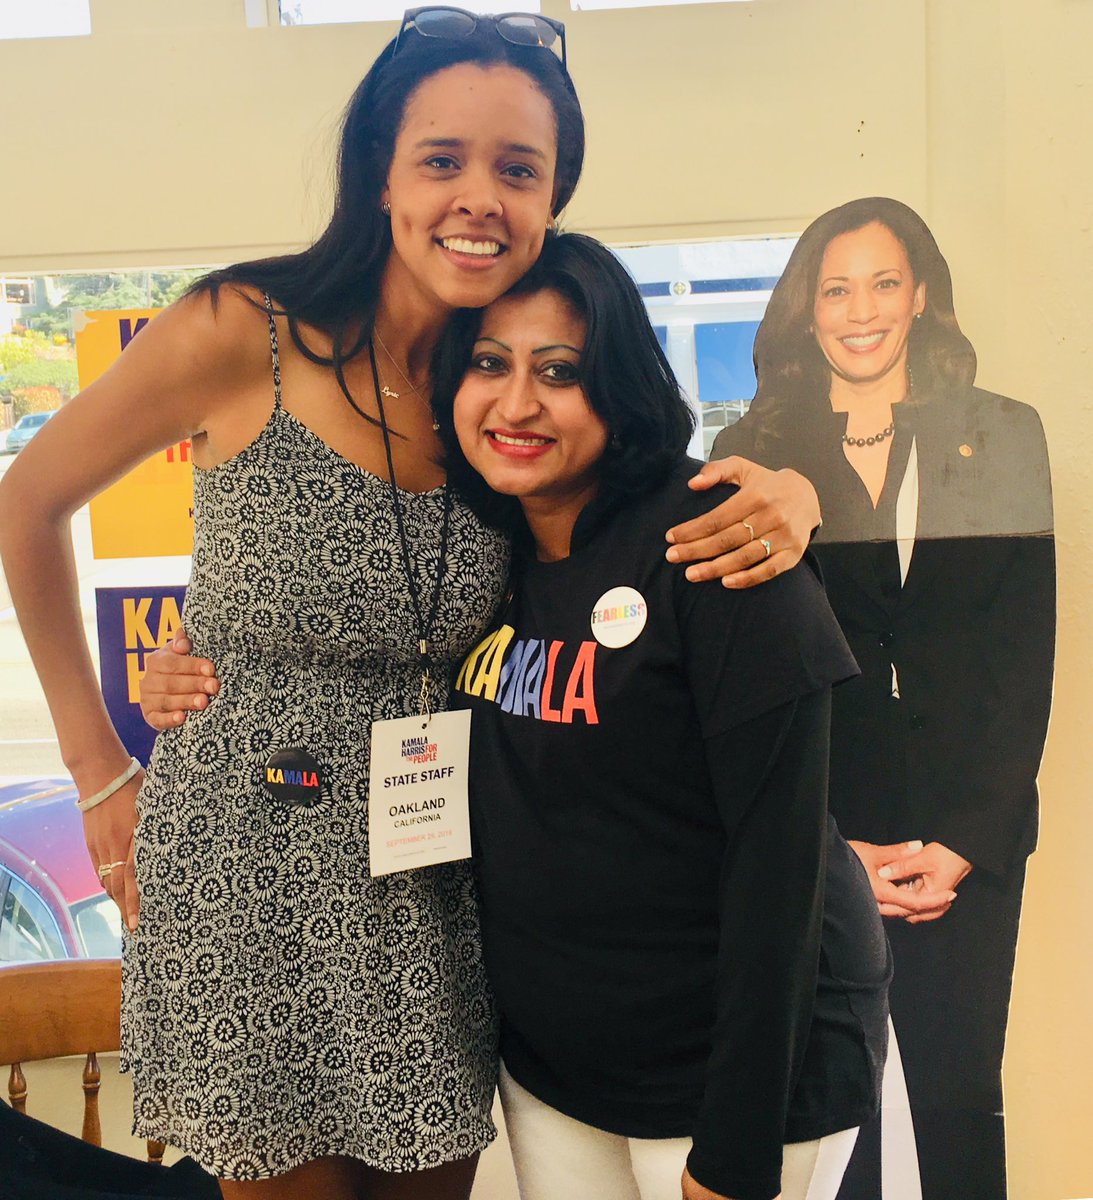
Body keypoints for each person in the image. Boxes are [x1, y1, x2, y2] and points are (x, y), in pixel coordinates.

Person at [0, 10, 821, 1198]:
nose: (477, 196)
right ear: (380, 172)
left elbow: (635, 514)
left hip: (435, 875)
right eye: (441, 159)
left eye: (517, 169)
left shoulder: (500, 387)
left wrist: (794, 495)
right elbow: (24, 504)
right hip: (248, 863)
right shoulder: (245, 329)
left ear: (553, 199)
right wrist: (99, 770)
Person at [437, 231, 890, 1200]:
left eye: (559, 371)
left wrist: (733, 1152)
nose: (516, 403)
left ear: (620, 384)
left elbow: (782, 870)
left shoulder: (715, 543)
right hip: (560, 1078)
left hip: (741, 1084)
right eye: (488, 363)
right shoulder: (476, 551)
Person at [710, 197, 1055, 1200]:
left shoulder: (1001, 435)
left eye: (884, 282)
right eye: (836, 287)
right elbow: (751, 676)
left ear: (920, 299)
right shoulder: (755, 450)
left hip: (965, 837)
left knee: (953, 1095)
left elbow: (1020, 652)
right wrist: (826, 846)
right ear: (804, 310)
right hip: (820, 830)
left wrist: (964, 837)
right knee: (830, 1108)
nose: (860, 310)